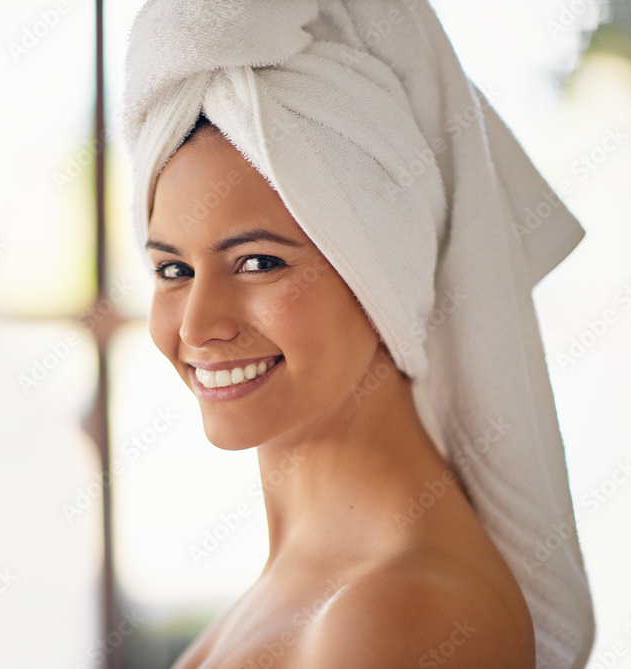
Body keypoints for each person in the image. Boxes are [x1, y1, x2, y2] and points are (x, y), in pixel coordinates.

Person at [123, 1, 595, 668]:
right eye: (172, 268)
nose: (197, 325)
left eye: (259, 262)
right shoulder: (304, 588)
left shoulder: (403, 619)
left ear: (384, 274)